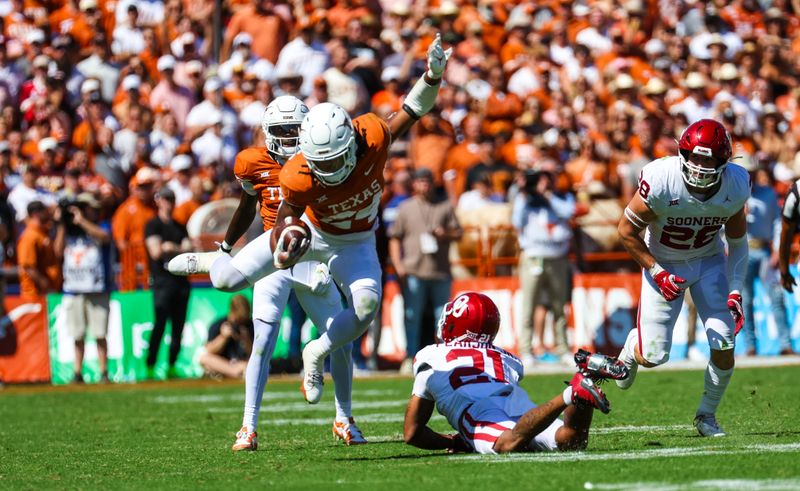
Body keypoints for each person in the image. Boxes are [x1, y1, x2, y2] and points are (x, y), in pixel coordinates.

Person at [169, 34, 453, 407]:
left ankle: (316, 352)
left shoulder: (371, 138)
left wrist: (431, 76)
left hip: (356, 241)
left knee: (366, 308)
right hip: (314, 232)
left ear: (350, 146)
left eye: (334, 161)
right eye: (321, 163)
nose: (328, 170)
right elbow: (285, 217)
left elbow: (414, 108)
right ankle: (215, 259)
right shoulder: (299, 172)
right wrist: (287, 241)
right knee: (225, 280)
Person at [171, 96, 364, 449]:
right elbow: (248, 205)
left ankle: (345, 418)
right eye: (282, 131)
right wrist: (227, 246)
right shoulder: (252, 162)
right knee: (262, 342)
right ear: (267, 133)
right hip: (272, 256)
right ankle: (248, 426)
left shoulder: (322, 159)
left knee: (342, 341)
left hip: (311, 257)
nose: (290, 139)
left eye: (295, 131)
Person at [616, 119, 749, 437]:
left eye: (709, 159)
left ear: (723, 161)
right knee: (654, 356)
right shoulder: (662, 179)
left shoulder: (736, 185)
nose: (702, 166)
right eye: (697, 157)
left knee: (724, 339)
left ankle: (707, 416)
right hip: (664, 262)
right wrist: (656, 270)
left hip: (708, 262)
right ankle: (633, 345)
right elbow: (625, 231)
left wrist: (735, 292)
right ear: (684, 153)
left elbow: (738, 242)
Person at [403, 292, 626, 454]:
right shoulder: (508, 358)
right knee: (570, 440)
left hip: (478, 410)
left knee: (506, 443)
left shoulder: (429, 357)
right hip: (515, 401)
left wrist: (452, 441)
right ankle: (583, 384)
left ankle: (571, 394)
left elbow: (412, 433)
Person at [388, 167, 462, 374]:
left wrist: (444, 233)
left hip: (440, 271)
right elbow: (395, 238)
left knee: (443, 318)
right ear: (414, 184)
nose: (424, 185)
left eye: (428, 181)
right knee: (412, 315)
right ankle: (410, 356)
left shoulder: (444, 206)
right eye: (420, 181)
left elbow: (459, 233)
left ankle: (444, 356)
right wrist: (398, 264)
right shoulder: (405, 207)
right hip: (413, 269)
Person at [512, 170, 576, 369]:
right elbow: (516, 222)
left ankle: (562, 349)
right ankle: (525, 350)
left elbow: (568, 212)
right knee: (529, 305)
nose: (542, 185)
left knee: (559, 306)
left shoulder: (562, 197)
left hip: (557, 258)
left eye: (546, 181)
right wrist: (524, 194)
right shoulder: (525, 200)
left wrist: (548, 195)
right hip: (533, 257)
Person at [55, 193, 112, 384]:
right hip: (74, 288)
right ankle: (77, 372)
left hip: (97, 288)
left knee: (100, 333)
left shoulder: (101, 225)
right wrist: (63, 223)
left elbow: (104, 237)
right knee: (77, 334)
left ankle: (104, 372)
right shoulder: (69, 230)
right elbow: (57, 251)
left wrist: (81, 221)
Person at [743, 167, 794, 356]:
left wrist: (777, 250)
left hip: (764, 250)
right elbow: (720, 226)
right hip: (742, 250)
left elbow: (777, 222)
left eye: (750, 172)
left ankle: (785, 343)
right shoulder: (731, 193)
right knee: (744, 300)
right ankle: (750, 346)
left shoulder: (768, 193)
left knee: (776, 297)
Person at [143, 187, 192, 379]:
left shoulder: (180, 226)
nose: (169, 203)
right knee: (160, 324)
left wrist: (171, 248)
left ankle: (172, 365)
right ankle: (151, 364)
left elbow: (189, 249)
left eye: (171, 199)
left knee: (178, 326)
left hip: (180, 281)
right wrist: (179, 249)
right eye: (165, 199)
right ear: (158, 201)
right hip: (162, 281)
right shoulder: (153, 225)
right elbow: (156, 251)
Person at [199, 294, 254, 379]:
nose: (239, 324)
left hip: (242, 363)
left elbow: (254, 353)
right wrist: (223, 337)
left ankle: (226, 373)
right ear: (232, 311)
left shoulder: (250, 325)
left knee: (251, 364)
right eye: (238, 320)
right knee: (204, 358)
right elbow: (209, 350)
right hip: (225, 364)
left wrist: (246, 340)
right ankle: (234, 372)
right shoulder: (218, 325)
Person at [17, 201, 61, 299]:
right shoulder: (30, 236)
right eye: (45, 211)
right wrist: (45, 284)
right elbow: (27, 266)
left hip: (49, 292)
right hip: (36, 295)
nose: (48, 213)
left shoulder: (43, 232)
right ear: (36, 214)